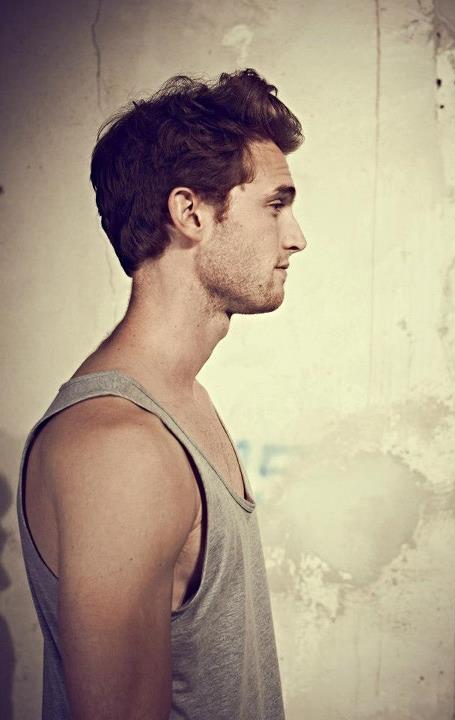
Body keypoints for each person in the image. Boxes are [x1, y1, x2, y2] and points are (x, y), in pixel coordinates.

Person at [17, 68, 306, 720]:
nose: (296, 237)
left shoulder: (178, 401)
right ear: (191, 213)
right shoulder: (120, 449)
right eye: (275, 204)